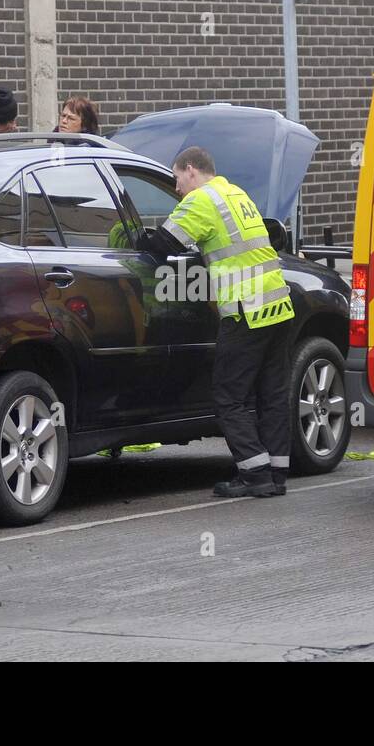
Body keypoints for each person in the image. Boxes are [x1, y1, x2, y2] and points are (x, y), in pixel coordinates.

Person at [146, 147, 295, 498]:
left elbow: (161, 245)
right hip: (279, 303)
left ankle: (254, 473)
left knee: (230, 396)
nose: (177, 187)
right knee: (272, 394)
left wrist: (130, 237)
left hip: (248, 310)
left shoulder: (201, 201)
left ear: (192, 170)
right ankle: (275, 475)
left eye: (177, 177)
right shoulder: (235, 193)